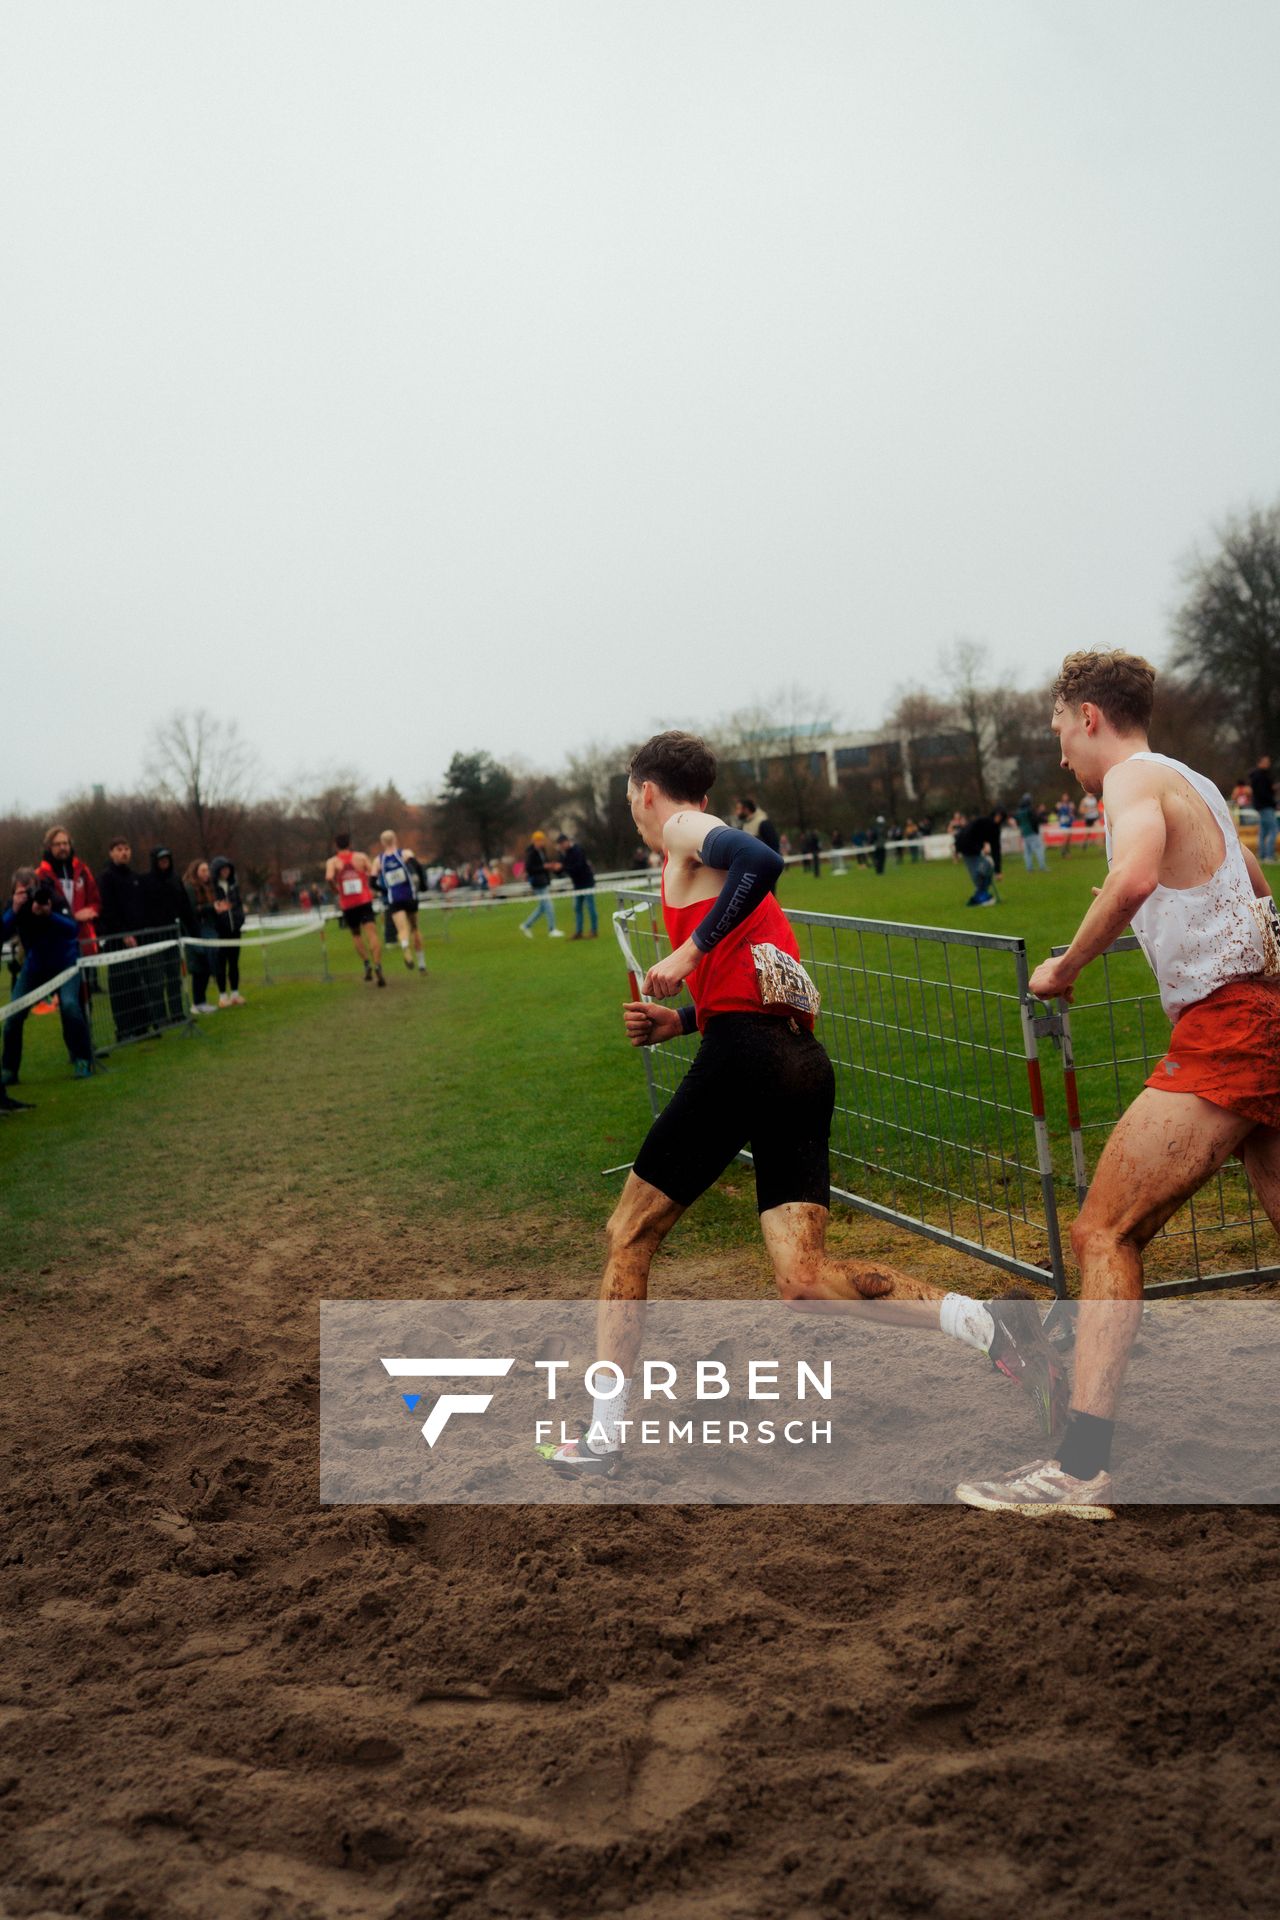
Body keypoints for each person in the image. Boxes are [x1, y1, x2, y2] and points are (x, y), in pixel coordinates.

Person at [544, 731, 1064, 1474]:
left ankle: (602, 1437)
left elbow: (764, 860)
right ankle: (991, 1328)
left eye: (632, 796)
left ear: (647, 792)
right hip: (793, 1060)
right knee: (803, 1280)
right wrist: (685, 1018)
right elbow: (768, 985)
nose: (634, 809)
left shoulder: (686, 832)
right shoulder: (693, 857)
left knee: (628, 1234)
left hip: (749, 1059)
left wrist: (689, 956)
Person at [956, 650, 1280, 1519]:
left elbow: (1137, 878)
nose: (1060, 751)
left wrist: (1065, 965)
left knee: (1104, 1229)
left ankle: (1079, 1467)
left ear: (1089, 717)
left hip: (1232, 1028)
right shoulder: (1194, 781)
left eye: (1060, 729)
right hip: (1262, 1016)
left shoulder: (1131, 782)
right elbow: (1252, 888)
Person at [1, 870, 94, 1083]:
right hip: (35, 966)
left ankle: (82, 1059)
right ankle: (9, 1069)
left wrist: (49, 914)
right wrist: (13, 910)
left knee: (70, 1006)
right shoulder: (14, 907)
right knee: (13, 1015)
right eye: (22, 892)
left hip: (65, 963)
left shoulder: (53, 898)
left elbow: (72, 929)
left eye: (30, 891)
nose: (28, 896)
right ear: (14, 893)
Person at [96, 835, 158, 1041]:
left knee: (139, 982)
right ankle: (124, 1029)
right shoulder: (106, 878)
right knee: (121, 985)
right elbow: (108, 909)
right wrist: (123, 933)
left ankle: (142, 1026)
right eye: (119, 849)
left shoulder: (134, 877)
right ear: (112, 853)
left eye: (126, 849)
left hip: (138, 939)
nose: (124, 852)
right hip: (117, 940)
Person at [141, 847, 198, 1024]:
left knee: (175, 977)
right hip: (155, 938)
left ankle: (177, 1013)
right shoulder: (147, 881)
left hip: (174, 936)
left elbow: (185, 906)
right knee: (157, 980)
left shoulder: (175, 879)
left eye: (167, 859)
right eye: (161, 859)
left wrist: (191, 929)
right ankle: (159, 1017)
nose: (164, 862)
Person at [325, 834, 385, 984]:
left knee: (356, 934)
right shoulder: (361, 857)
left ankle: (366, 964)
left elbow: (328, 877)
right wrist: (370, 886)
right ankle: (377, 964)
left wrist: (335, 889)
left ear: (336, 845)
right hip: (364, 900)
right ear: (350, 844)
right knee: (371, 933)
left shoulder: (333, 861)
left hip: (348, 903)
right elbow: (373, 872)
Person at [37, 826, 100, 957]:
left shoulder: (83, 870)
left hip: (84, 941)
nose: (62, 847)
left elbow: (95, 901)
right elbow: (41, 910)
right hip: (57, 943)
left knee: (89, 977)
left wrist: (91, 910)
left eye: (65, 843)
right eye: (58, 844)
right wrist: (73, 916)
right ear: (49, 847)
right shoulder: (41, 874)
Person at [374, 830, 427, 974]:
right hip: (409, 896)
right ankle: (422, 964)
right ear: (395, 839)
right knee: (415, 928)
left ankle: (405, 947)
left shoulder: (379, 860)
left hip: (394, 898)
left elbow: (371, 881)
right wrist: (422, 886)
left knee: (402, 930)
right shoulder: (405, 854)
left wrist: (384, 889)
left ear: (382, 843)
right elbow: (419, 867)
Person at [183, 859, 222, 1013]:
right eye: (203, 870)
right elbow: (192, 910)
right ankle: (197, 1003)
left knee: (206, 966)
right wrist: (211, 907)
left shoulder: (208, 888)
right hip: (196, 932)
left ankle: (202, 1001)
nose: (207, 874)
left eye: (208, 870)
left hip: (209, 929)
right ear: (195, 872)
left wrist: (216, 909)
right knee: (198, 967)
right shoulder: (190, 888)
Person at [209, 857, 247, 1005]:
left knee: (234, 962)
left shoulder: (233, 886)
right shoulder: (212, 888)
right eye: (223, 869)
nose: (226, 871)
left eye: (228, 868)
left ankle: (235, 994)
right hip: (220, 932)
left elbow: (238, 905)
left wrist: (239, 920)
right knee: (221, 963)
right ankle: (222, 996)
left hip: (234, 931)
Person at [954, 809, 1005, 906]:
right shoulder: (982, 822)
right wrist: (957, 849)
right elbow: (965, 833)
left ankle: (980, 895)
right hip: (967, 848)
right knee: (981, 870)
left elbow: (996, 849)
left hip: (972, 849)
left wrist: (998, 871)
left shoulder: (993, 829)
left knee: (986, 868)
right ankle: (981, 896)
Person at [519, 831, 563, 939]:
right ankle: (552, 929)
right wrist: (544, 867)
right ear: (534, 841)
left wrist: (551, 866)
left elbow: (544, 865)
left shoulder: (542, 851)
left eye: (542, 840)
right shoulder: (531, 853)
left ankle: (526, 925)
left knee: (543, 907)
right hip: (537, 883)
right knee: (549, 906)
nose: (541, 842)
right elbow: (530, 868)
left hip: (543, 881)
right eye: (539, 840)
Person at [555, 833, 598, 938]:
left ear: (567, 841)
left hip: (587, 882)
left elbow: (577, 867)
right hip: (577, 884)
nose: (561, 846)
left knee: (590, 907)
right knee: (577, 908)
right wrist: (556, 869)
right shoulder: (563, 854)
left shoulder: (577, 850)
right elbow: (562, 870)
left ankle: (594, 930)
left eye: (562, 843)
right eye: (560, 844)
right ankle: (579, 932)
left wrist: (563, 867)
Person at [1251, 753, 1276, 863]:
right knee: (1273, 830)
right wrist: (1273, 802)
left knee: (1263, 832)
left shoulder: (1257, 776)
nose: (1268, 764)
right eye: (1266, 762)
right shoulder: (1260, 776)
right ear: (1260, 763)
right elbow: (1263, 793)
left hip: (1261, 806)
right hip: (1266, 806)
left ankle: (1262, 855)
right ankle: (1269, 856)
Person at [1015, 794, 1047, 872]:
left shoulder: (1019, 812)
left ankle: (1029, 868)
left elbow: (1018, 823)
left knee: (1027, 852)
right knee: (1039, 849)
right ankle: (1042, 867)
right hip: (1032, 833)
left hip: (1024, 834)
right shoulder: (1030, 810)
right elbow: (1035, 820)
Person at [1056, 791, 1075, 855]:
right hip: (1063, 823)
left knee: (1069, 838)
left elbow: (1071, 813)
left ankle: (1067, 849)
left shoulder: (1070, 804)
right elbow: (1058, 812)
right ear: (1062, 798)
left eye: (1066, 796)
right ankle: (1063, 850)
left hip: (1069, 822)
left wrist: (1072, 814)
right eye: (1064, 797)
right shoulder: (1059, 804)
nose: (1065, 798)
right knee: (1066, 837)